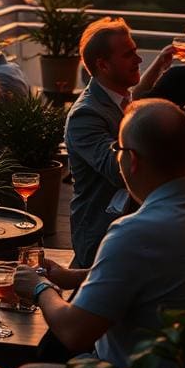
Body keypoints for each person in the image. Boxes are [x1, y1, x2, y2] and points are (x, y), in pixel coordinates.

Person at [14, 99, 185, 368]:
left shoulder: (133, 231)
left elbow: (74, 332)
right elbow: (165, 273)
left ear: (132, 159)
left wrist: (39, 288)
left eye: (118, 149)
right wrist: (73, 276)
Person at [65, 17, 142, 268]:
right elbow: (118, 170)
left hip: (130, 226)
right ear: (103, 65)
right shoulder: (85, 115)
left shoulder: (122, 100)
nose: (139, 60)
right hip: (102, 236)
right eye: (129, 54)